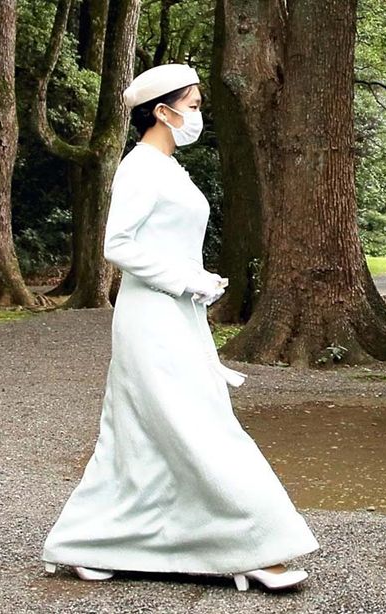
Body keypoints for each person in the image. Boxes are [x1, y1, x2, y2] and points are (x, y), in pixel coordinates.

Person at [41, 64, 319, 591]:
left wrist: (197, 277)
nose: (197, 115)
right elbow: (116, 244)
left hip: (178, 313)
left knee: (138, 435)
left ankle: (88, 541)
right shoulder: (140, 167)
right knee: (200, 427)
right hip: (152, 319)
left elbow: (166, 240)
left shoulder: (169, 168)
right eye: (191, 106)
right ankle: (253, 546)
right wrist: (182, 280)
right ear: (163, 112)